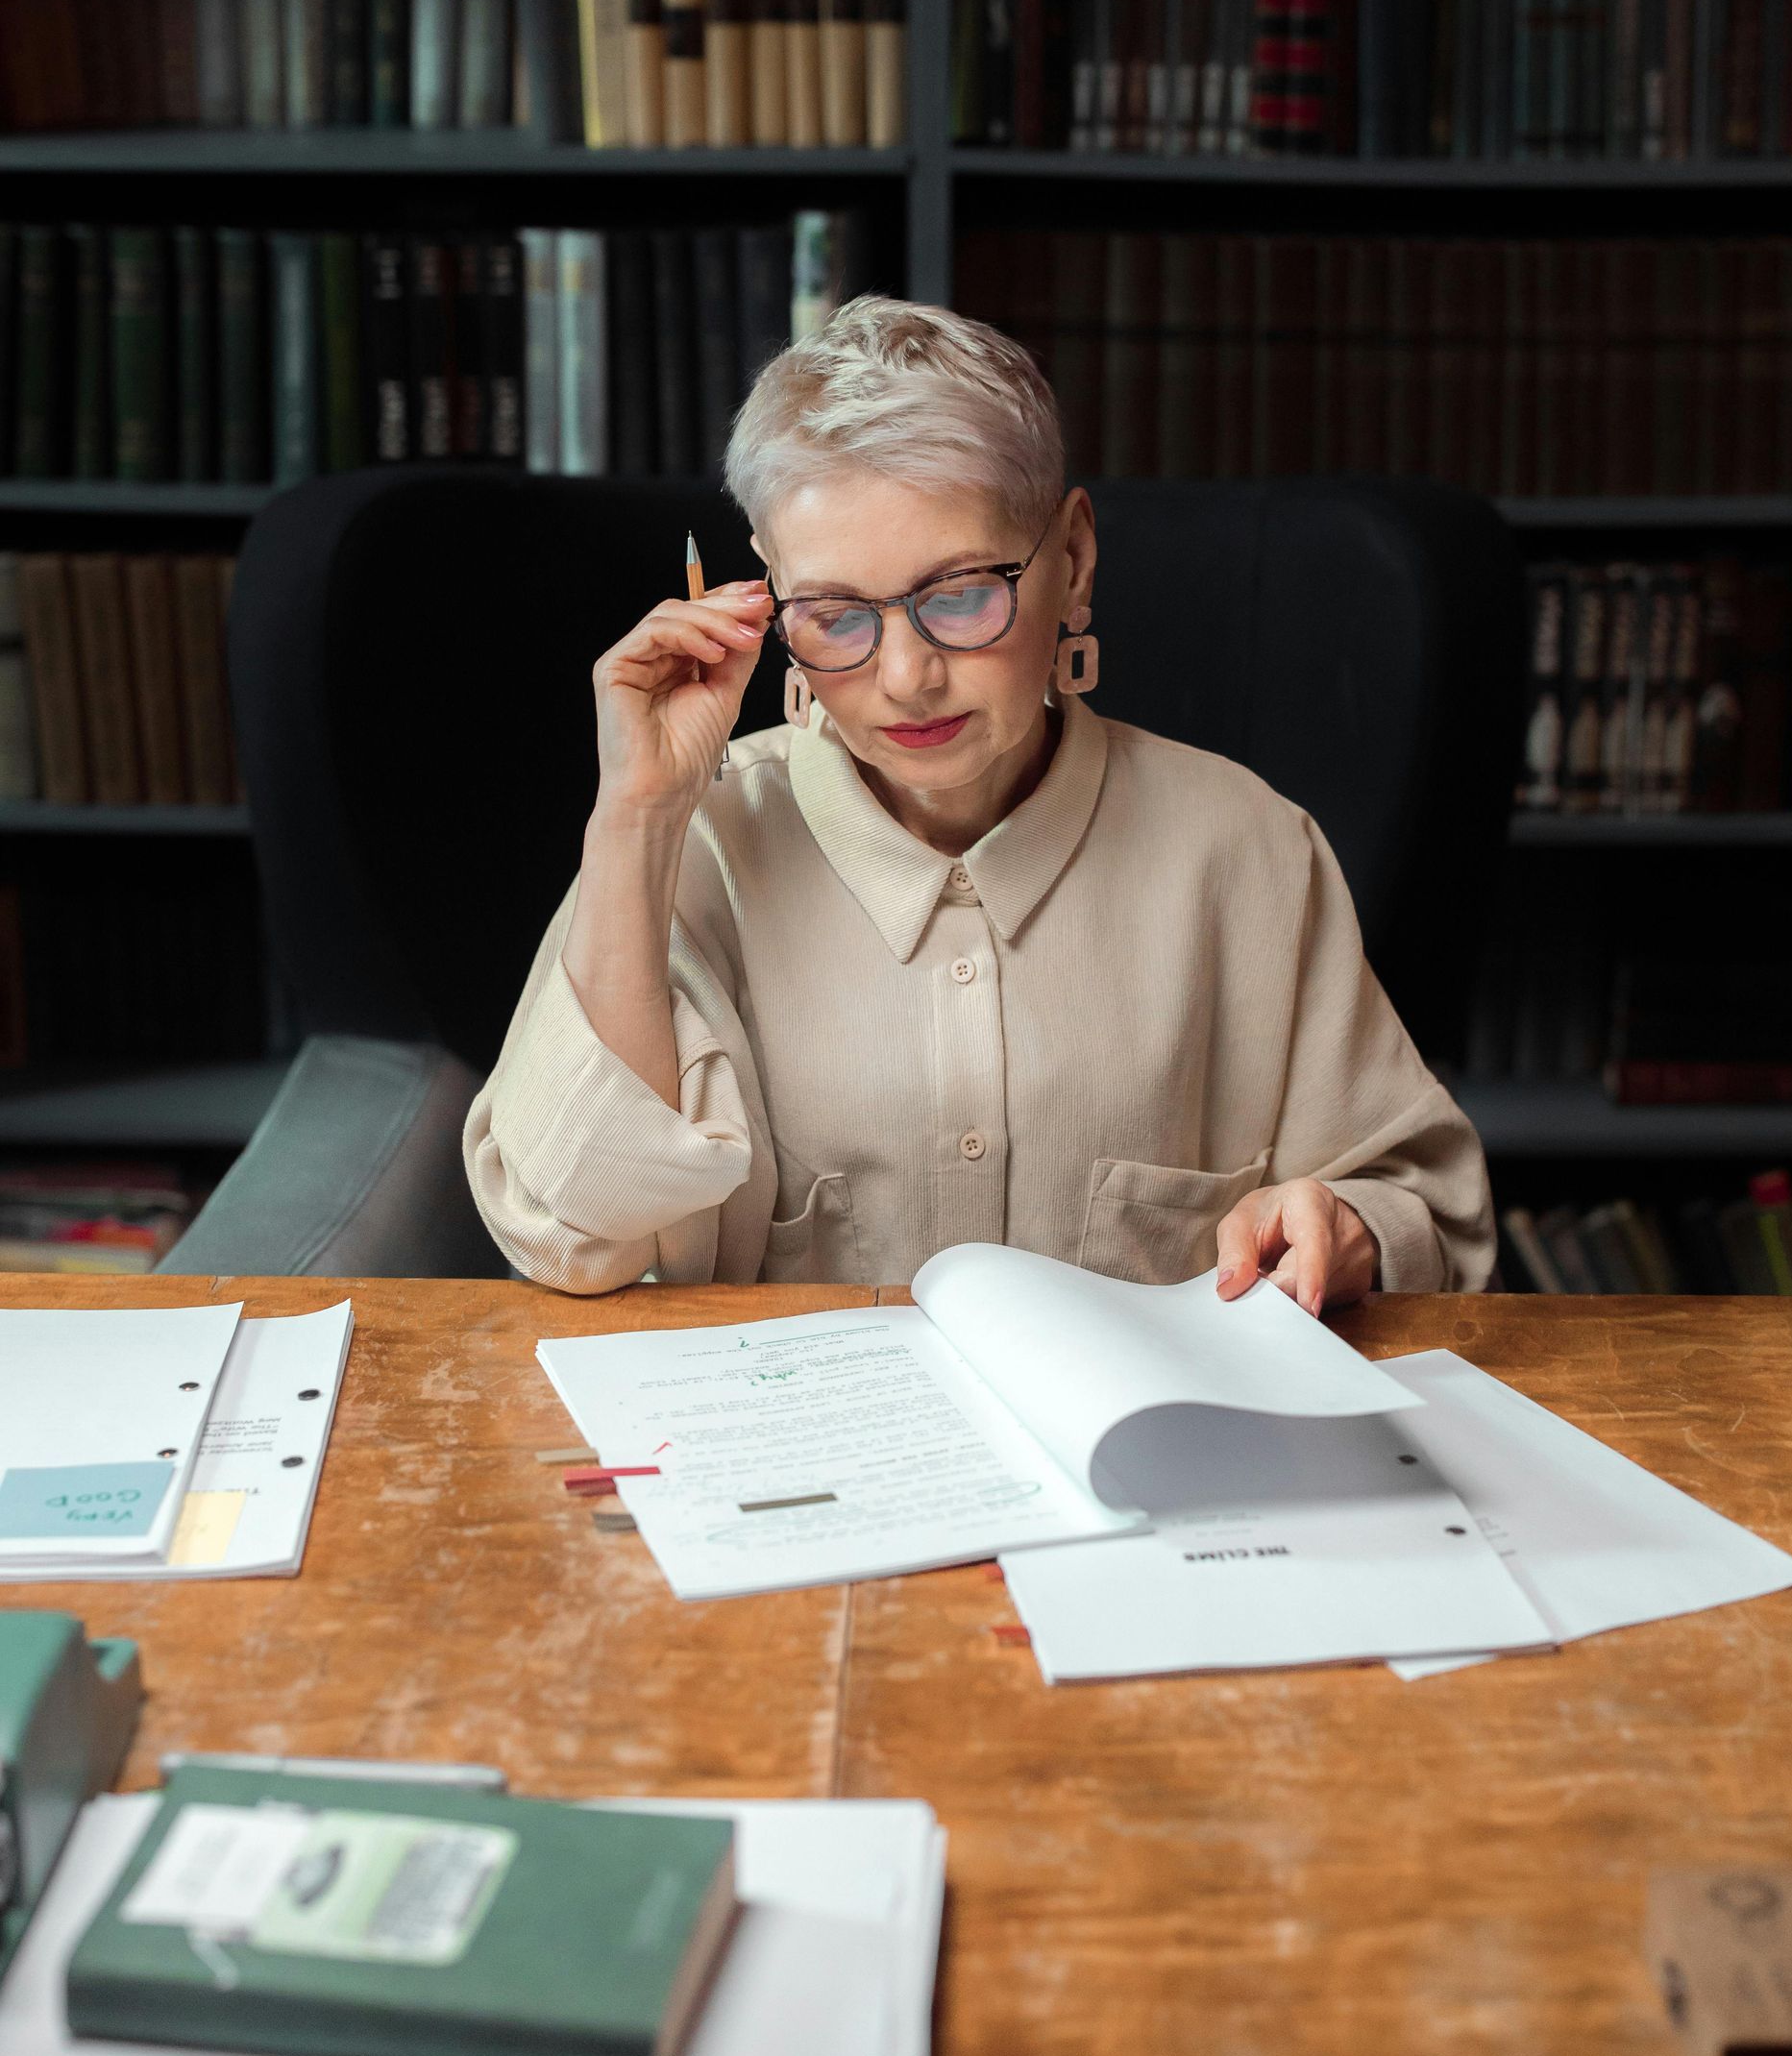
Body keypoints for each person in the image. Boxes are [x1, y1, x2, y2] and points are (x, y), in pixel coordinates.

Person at [464, 297, 1495, 1309]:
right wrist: (638, 819)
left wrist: (1348, 1229)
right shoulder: (698, 845)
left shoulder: (1248, 848)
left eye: (959, 595)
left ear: (1074, 562)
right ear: (770, 599)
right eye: (834, 615)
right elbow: (567, 1234)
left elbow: (1429, 1213)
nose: (907, 677)